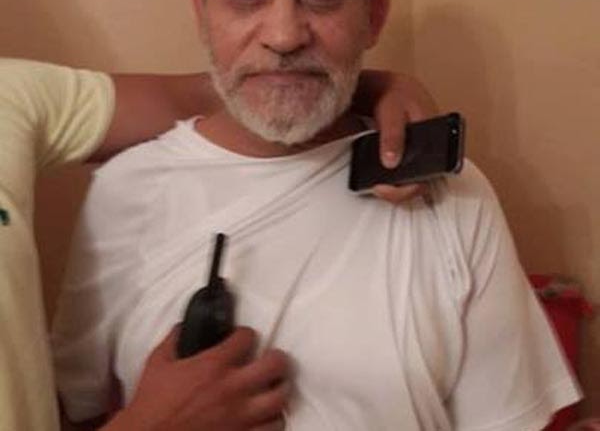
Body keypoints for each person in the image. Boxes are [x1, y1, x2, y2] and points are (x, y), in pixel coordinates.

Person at [51, 0, 581, 430]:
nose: (284, 35)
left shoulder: (451, 196)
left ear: (372, 15)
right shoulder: (123, 194)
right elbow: (77, 410)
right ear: (203, 11)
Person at [0, 59, 433, 431]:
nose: (283, 33)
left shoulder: (11, 94)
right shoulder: (127, 189)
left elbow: (213, 90)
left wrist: (371, 84)